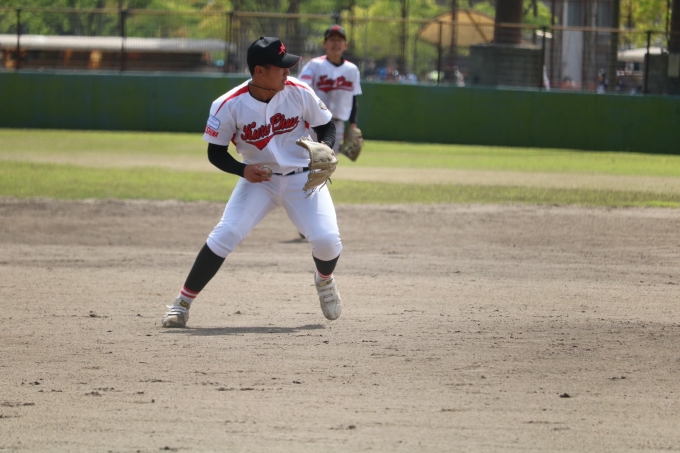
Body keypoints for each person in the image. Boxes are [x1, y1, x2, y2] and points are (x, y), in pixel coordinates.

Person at [162, 36, 343, 328]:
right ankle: (181, 304)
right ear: (260, 71)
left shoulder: (299, 91)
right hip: (260, 181)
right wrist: (241, 170)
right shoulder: (228, 104)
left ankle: (324, 280)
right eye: (281, 67)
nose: (287, 72)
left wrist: (326, 147)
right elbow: (215, 153)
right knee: (226, 233)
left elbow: (326, 126)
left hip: (303, 179)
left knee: (327, 241)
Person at [299, 25, 362, 156]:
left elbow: (353, 98)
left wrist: (353, 124)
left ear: (346, 45)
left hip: (337, 124)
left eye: (339, 40)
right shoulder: (314, 65)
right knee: (306, 160)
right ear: (324, 44)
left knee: (328, 162)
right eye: (332, 40)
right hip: (313, 122)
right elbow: (301, 91)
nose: (336, 43)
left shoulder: (352, 69)